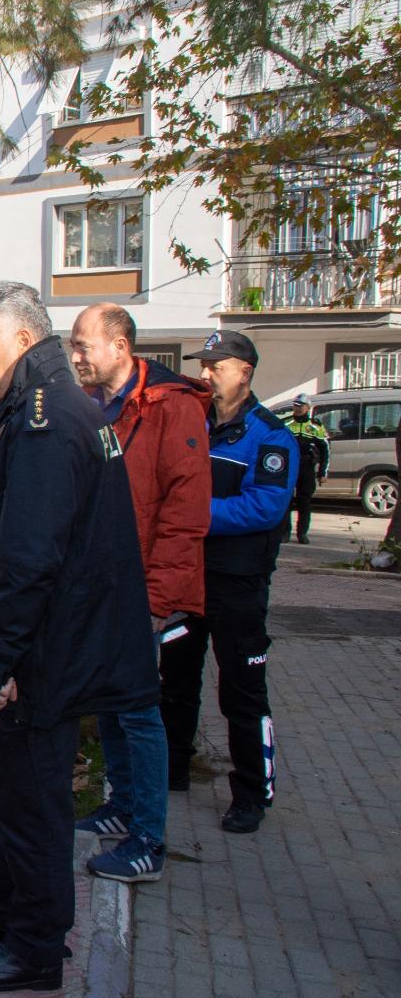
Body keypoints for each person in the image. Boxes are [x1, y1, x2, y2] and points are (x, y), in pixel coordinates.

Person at [0, 283, 154, 993]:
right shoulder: (36, 407)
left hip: (46, 659)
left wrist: (3, 660)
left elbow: (31, 554)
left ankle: (33, 947)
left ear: (23, 340)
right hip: (49, 648)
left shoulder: (48, 420)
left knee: (33, 801)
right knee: (7, 787)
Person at [69, 303, 211, 883]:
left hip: (143, 591)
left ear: (121, 346)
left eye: (83, 345)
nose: (75, 356)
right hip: (101, 585)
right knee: (108, 702)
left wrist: (156, 601)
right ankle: (120, 808)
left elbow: (185, 516)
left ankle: (149, 839)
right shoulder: (98, 406)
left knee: (138, 712)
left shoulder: (170, 407)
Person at [166, 330, 297, 835]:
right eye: (204, 364)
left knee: (242, 691)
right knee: (175, 678)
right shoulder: (195, 424)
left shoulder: (271, 436)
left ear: (244, 371)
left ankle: (250, 794)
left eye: (215, 366)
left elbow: (265, 507)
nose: (204, 374)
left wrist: (194, 515)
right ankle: (173, 769)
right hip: (188, 578)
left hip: (237, 585)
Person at [282, 393, 329, 545]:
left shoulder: (316, 425)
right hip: (289, 466)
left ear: (308, 407)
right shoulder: (286, 423)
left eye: (301, 405)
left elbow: (325, 449)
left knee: (304, 501)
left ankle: (302, 533)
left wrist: (323, 472)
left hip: (307, 466)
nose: (297, 408)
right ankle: (285, 532)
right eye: (295, 405)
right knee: (286, 500)